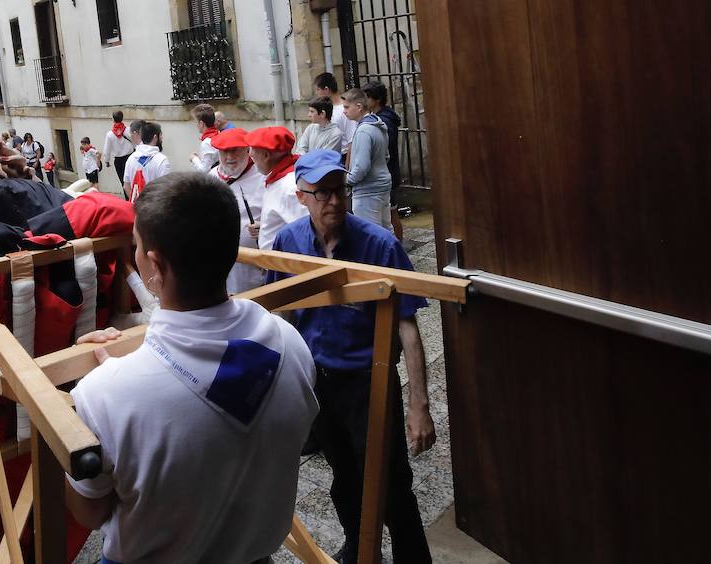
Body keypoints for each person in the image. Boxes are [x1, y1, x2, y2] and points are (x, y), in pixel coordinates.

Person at [66, 174, 318, 564]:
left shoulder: (104, 395)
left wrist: (101, 391)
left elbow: (90, 513)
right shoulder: (291, 342)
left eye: (135, 245)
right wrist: (125, 374)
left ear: (155, 265)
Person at [270, 150, 435, 564]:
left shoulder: (379, 245)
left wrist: (419, 405)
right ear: (301, 196)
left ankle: (413, 559)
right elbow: (280, 315)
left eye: (339, 190)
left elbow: (407, 326)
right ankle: (360, 547)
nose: (334, 201)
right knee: (343, 478)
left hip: (369, 381)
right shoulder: (288, 243)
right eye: (321, 192)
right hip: (316, 382)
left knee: (393, 482)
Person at [206, 127, 265, 294]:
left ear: (248, 150)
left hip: (253, 263)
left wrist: (264, 227)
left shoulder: (262, 176)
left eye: (235, 151)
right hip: (220, 260)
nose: (229, 157)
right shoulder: (212, 177)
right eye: (224, 152)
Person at [247, 126, 306, 250]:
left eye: (253, 150)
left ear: (266, 155)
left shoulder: (290, 187)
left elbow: (307, 231)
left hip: (285, 266)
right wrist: (266, 227)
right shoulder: (279, 180)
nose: (250, 153)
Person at [343, 88, 393, 230]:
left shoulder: (364, 130)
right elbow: (386, 156)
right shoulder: (377, 124)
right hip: (382, 184)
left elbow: (362, 166)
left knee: (371, 235)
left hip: (368, 190)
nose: (344, 111)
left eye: (347, 107)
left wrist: (348, 180)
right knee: (385, 231)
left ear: (359, 107)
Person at [365, 81, 406, 241]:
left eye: (367, 97)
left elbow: (384, 147)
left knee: (391, 213)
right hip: (387, 173)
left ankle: (398, 246)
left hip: (387, 172)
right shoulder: (377, 118)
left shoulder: (385, 121)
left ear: (376, 99)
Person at [123, 121, 171, 203]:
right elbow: (165, 190)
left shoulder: (131, 158)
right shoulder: (162, 160)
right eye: (161, 135)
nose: (162, 138)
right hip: (154, 210)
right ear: (155, 137)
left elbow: (126, 186)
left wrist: (137, 203)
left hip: (136, 209)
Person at [313, 72, 354, 156]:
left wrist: (347, 166)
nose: (316, 93)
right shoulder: (325, 108)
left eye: (318, 89)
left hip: (342, 155)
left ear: (326, 89)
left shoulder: (344, 109)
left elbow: (351, 140)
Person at [101, 110, 135, 190]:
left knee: (124, 182)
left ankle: (128, 200)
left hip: (118, 161)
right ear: (122, 118)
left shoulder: (109, 134)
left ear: (113, 119)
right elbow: (135, 141)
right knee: (133, 180)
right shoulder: (128, 130)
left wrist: (107, 161)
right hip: (130, 158)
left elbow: (107, 150)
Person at [188, 103, 220, 172]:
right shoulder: (218, 134)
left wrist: (194, 159)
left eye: (196, 122)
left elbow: (204, 170)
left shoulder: (206, 143)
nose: (196, 125)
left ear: (201, 124)